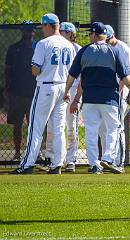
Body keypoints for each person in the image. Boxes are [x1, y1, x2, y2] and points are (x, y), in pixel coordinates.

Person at [63, 22, 130, 174]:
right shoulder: (114, 52)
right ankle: (108, 158)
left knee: (91, 131)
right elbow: (125, 77)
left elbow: (73, 76)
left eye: (90, 34)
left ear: (94, 34)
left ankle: (94, 164)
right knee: (113, 129)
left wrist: (67, 91)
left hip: (89, 100)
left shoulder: (84, 51)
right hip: (110, 99)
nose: (89, 36)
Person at [11, 13, 76, 174]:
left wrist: (38, 69)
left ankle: (27, 165)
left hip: (47, 86)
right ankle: (57, 165)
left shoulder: (43, 43)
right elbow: (72, 72)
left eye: (43, 26)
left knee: (36, 126)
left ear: (48, 26)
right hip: (63, 86)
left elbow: (35, 70)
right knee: (59, 127)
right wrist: (67, 90)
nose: (42, 29)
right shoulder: (68, 44)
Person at [45, 22, 82, 172]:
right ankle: (52, 158)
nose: (62, 33)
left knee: (71, 126)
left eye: (65, 32)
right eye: (61, 31)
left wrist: (77, 98)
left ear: (71, 34)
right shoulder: (56, 46)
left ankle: (71, 159)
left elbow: (82, 76)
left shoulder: (78, 49)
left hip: (72, 89)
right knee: (53, 125)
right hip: (59, 88)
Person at [4, 21, 37, 161]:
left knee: (34, 124)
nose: (27, 33)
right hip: (16, 91)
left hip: (34, 92)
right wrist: (7, 87)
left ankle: (34, 153)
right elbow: (7, 69)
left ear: (34, 32)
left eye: (30, 31)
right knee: (17, 124)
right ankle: (17, 152)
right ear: (21, 31)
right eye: (25, 30)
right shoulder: (13, 48)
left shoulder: (38, 47)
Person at [103, 24, 130, 172]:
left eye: (108, 38)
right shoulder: (107, 48)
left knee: (118, 125)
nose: (107, 41)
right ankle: (111, 159)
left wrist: (119, 92)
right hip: (110, 90)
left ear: (113, 36)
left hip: (121, 90)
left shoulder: (122, 48)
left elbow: (124, 74)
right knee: (110, 126)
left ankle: (119, 162)